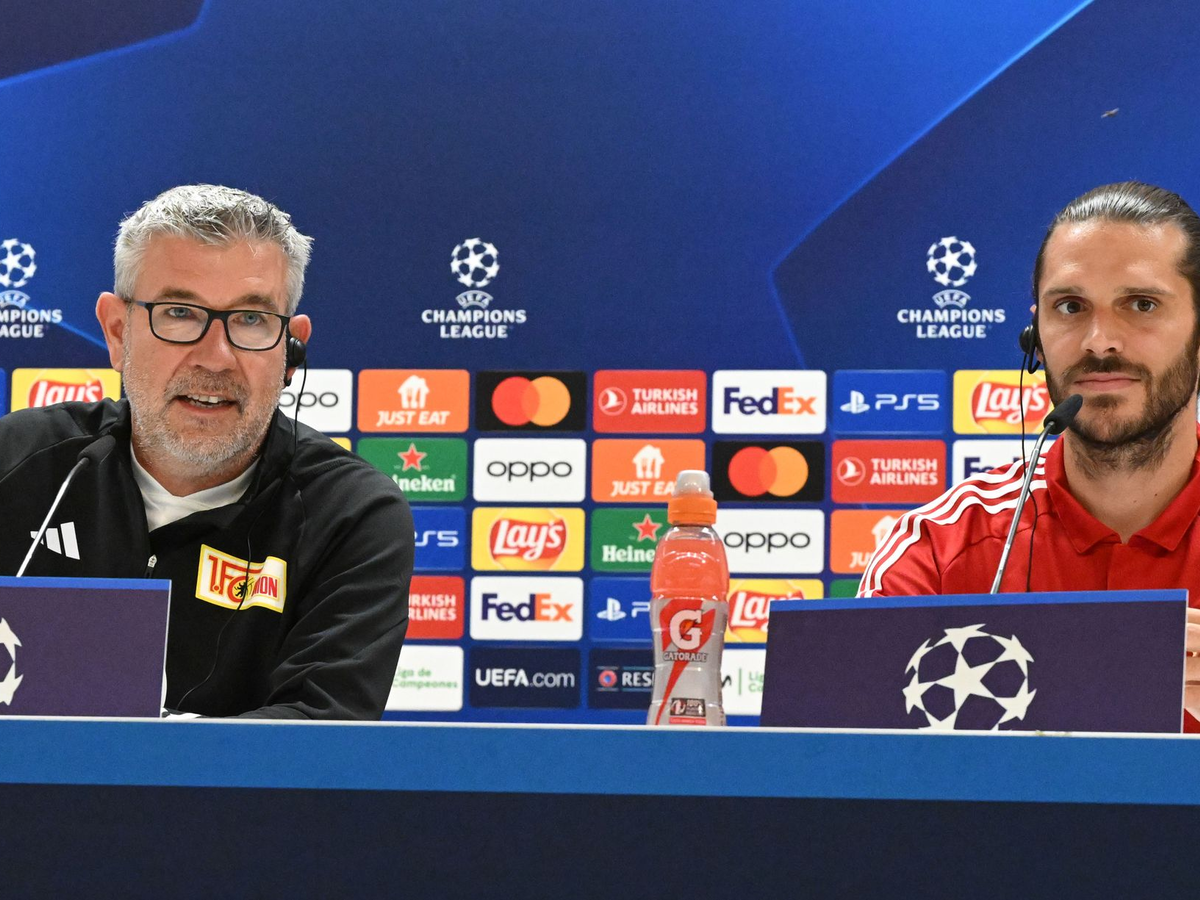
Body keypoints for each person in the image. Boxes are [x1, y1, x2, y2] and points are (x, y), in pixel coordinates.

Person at [0, 184, 413, 718]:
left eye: (251, 319)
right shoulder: (16, 464)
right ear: (118, 333)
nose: (215, 358)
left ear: (290, 352)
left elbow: (318, 737)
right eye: (179, 313)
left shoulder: (350, 515)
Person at [859, 180, 1200, 728]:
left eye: (1142, 304)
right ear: (1035, 338)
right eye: (1070, 306)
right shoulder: (937, 551)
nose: (1099, 341)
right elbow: (852, 766)